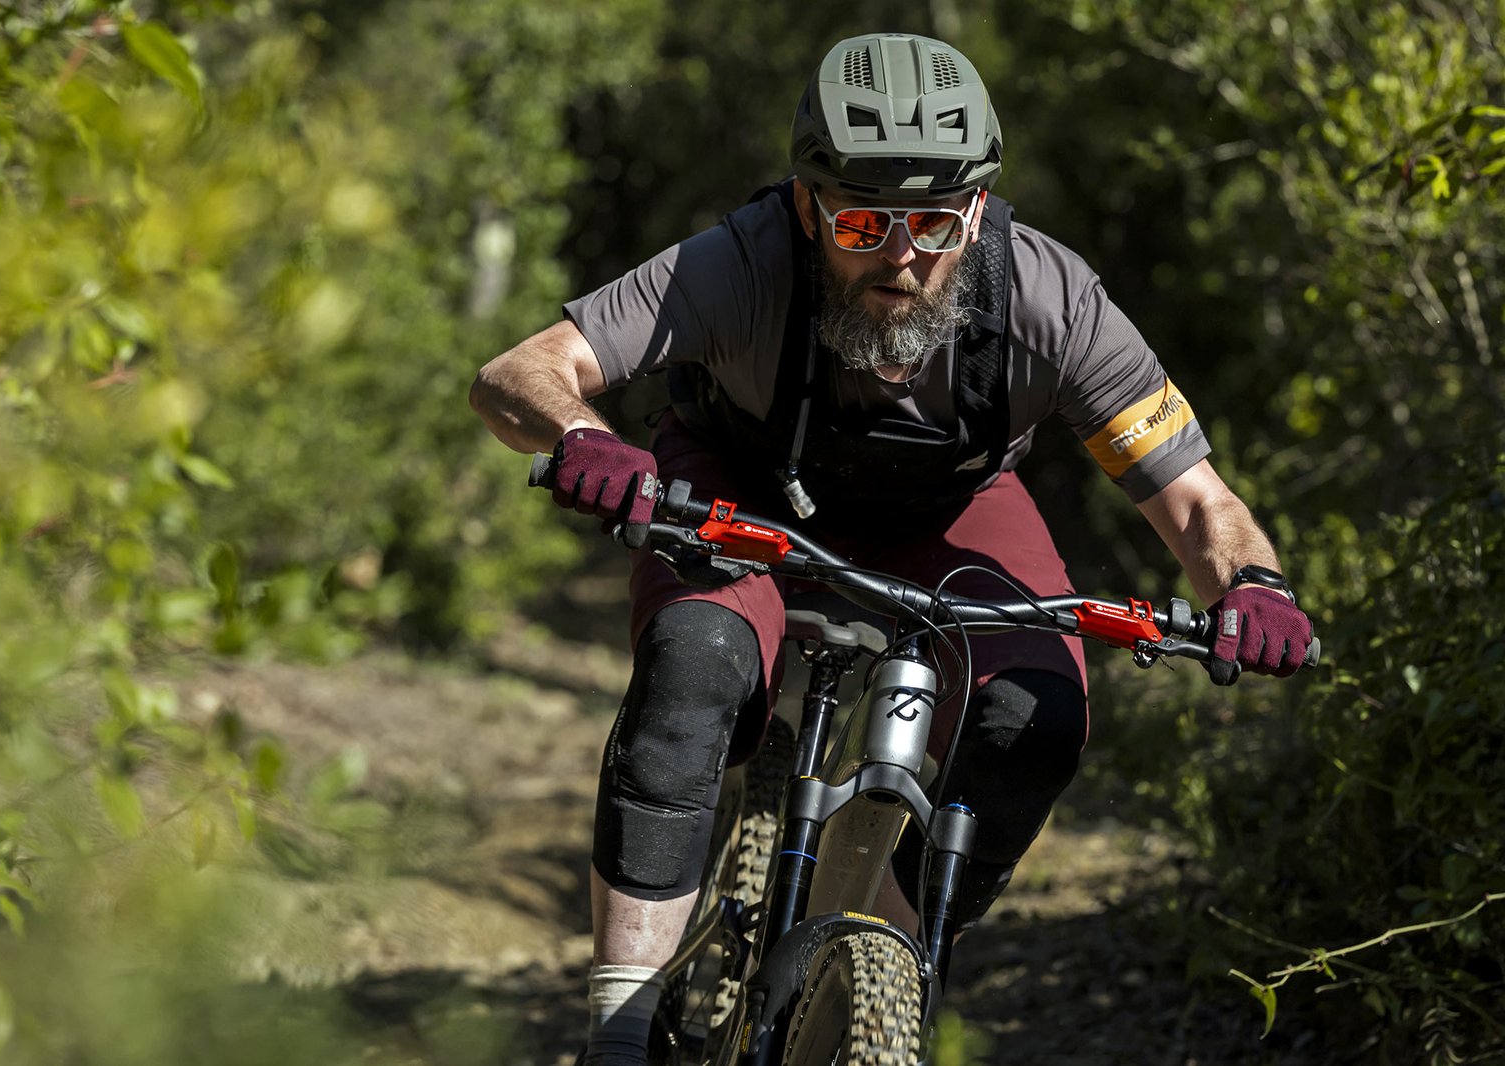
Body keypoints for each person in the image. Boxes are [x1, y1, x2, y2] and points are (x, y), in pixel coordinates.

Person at [470, 31, 1314, 1066]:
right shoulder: (737, 262)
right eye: (862, 221)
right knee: (695, 670)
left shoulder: (1050, 298)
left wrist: (1254, 585)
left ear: (977, 208)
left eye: (935, 221)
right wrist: (584, 437)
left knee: (1033, 715)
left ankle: (872, 975)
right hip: (742, 489)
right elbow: (521, 372)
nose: (901, 256)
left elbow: (1197, 505)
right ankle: (621, 1025)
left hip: (947, 510)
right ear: (804, 203)